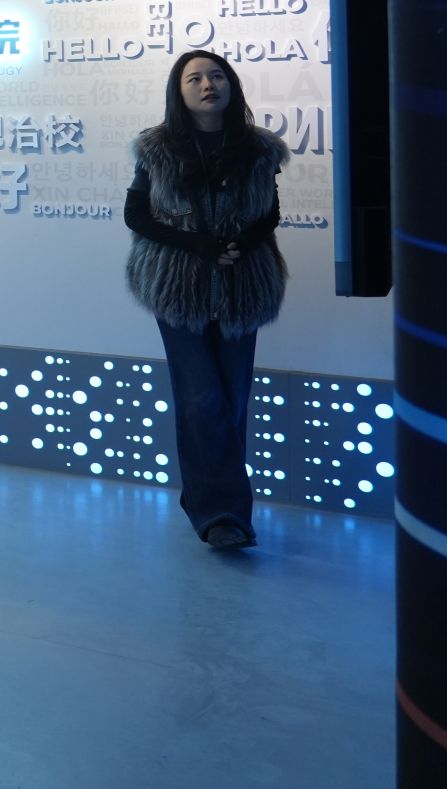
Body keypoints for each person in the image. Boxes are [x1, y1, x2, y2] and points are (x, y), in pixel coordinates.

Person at [124, 50, 289, 552]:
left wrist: (241, 243)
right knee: (200, 398)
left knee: (232, 399)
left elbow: (270, 212)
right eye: (194, 78)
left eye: (216, 76)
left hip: (243, 286)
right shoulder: (157, 148)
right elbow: (137, 215)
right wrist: (198, 245)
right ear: (179, 91)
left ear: (231, 85)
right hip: (178, 286)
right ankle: (221, 516)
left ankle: (211, 502)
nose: (207, 85)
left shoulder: (258, 149)